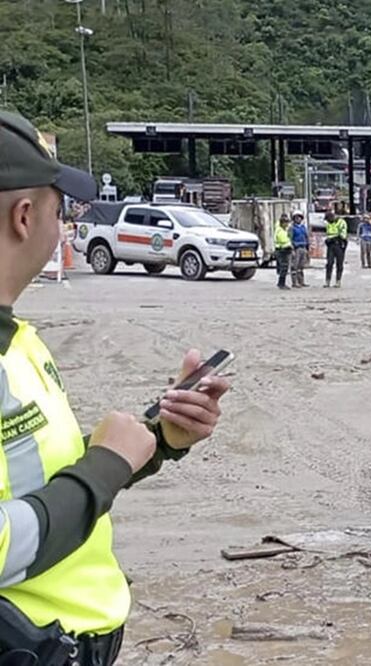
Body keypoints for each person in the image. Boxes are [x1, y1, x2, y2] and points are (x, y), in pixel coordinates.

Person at [0, 110, 229, 665]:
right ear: (25, 217)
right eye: (62, 209)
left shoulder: (18, 340)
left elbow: (42, 484)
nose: (68, 225)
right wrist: (105, 465)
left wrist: (155, 441)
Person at [323, 211, 347, 288]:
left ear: (332, 217)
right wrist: (328, 240)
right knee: (329, 263)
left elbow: (343, 235)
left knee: (339, 263)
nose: (327, 222)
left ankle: (338, 281)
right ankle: (327, 281)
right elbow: (328, 234)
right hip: (331, 245)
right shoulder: (328, 224)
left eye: (328, 219)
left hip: (339, 244)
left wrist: (334, 238)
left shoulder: (341, 222)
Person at [289, 212, 309, 288]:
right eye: (296, 218)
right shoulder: (292, 228)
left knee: (301, 266)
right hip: (296, 248)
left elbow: (306, 237)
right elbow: (290, 239)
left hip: (303, 247)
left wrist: (307, 248)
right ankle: (294, 282)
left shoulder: (303, 227)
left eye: (299, 217)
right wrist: (292, 249)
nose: (298, 219)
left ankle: (301, 281)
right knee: (294, 266)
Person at [274, 215, 292, 291]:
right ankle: (281, 283)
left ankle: (281, 283)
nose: (287, 224)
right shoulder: (280, 231)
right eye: (286, 223)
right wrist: (289, 245)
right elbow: (284, 240)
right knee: (284, 267)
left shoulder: (283, 230)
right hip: (282, 250)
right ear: (282, 223)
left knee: (284, 267)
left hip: (283, 250)